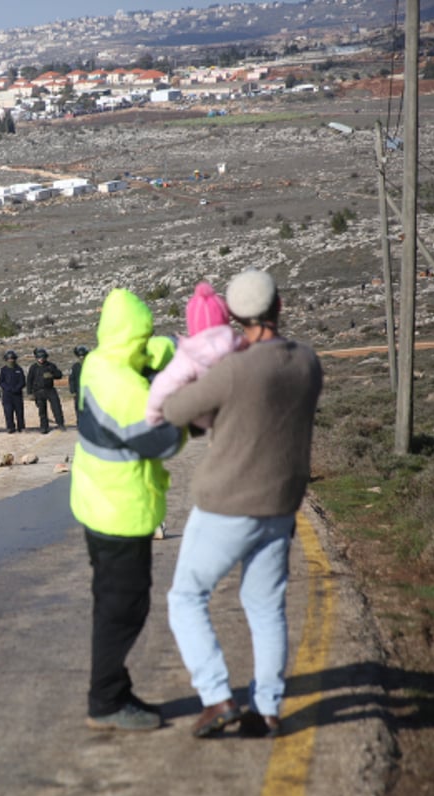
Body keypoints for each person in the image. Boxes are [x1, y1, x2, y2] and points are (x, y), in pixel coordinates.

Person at [163, 270, 323, 739]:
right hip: (281, 504)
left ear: (233, 316)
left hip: (227, 503)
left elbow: (176, 411)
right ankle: (267, 708)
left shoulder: (234, 369)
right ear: (279, 307)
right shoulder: (308, 362)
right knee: (265, 606)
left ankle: (217, 697)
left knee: (187, 597)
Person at [72, 288, 184, 732]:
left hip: (96, 505)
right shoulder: (123, 386)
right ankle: (106, 701)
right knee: (124, 610)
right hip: (121, 514)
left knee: (110, 604)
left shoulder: (98, 363)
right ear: (135, 337)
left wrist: (167, 349)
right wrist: (178, 381)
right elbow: (167, 439)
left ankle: (114, 689)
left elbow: (145, 354)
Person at [145, 281, 245, 429]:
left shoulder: (189, 355)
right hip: (239, 410)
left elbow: (165, 383)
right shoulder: (240, 345)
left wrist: (152, 412)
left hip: (205, 415)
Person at [27, 347, 66, 434]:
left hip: (50, 389)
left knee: (56, 407)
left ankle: (60, 424)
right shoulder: (33, 368)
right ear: (36, 358)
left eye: (43, 357)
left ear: (46, 357)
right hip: (38, 391)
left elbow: (59, 375)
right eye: (39, 358)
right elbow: (29, 380)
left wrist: (52, 375)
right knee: (42, 410)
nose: (41, 359)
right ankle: (44, 427)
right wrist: (30, 393)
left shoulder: (50, 365)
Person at [0, 349, 26, 434]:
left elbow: (22, 381)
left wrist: (17, 388)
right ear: (6, 360)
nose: (11, 360)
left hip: (17, 394)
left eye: (12, 359)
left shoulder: (19, 369)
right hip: (7, 395)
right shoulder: (3, 370)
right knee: (8, 411)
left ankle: (21, 427)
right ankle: (10, 427)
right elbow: (1, 382)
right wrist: (8, 388)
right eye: (9, 359)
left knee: (19, 411)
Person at [68, 345, 88, 414]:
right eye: (80, 356)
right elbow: (71, 380)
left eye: (83, 355)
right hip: (78, 391)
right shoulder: (75, 367)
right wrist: (73, 391)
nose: (81, 357)